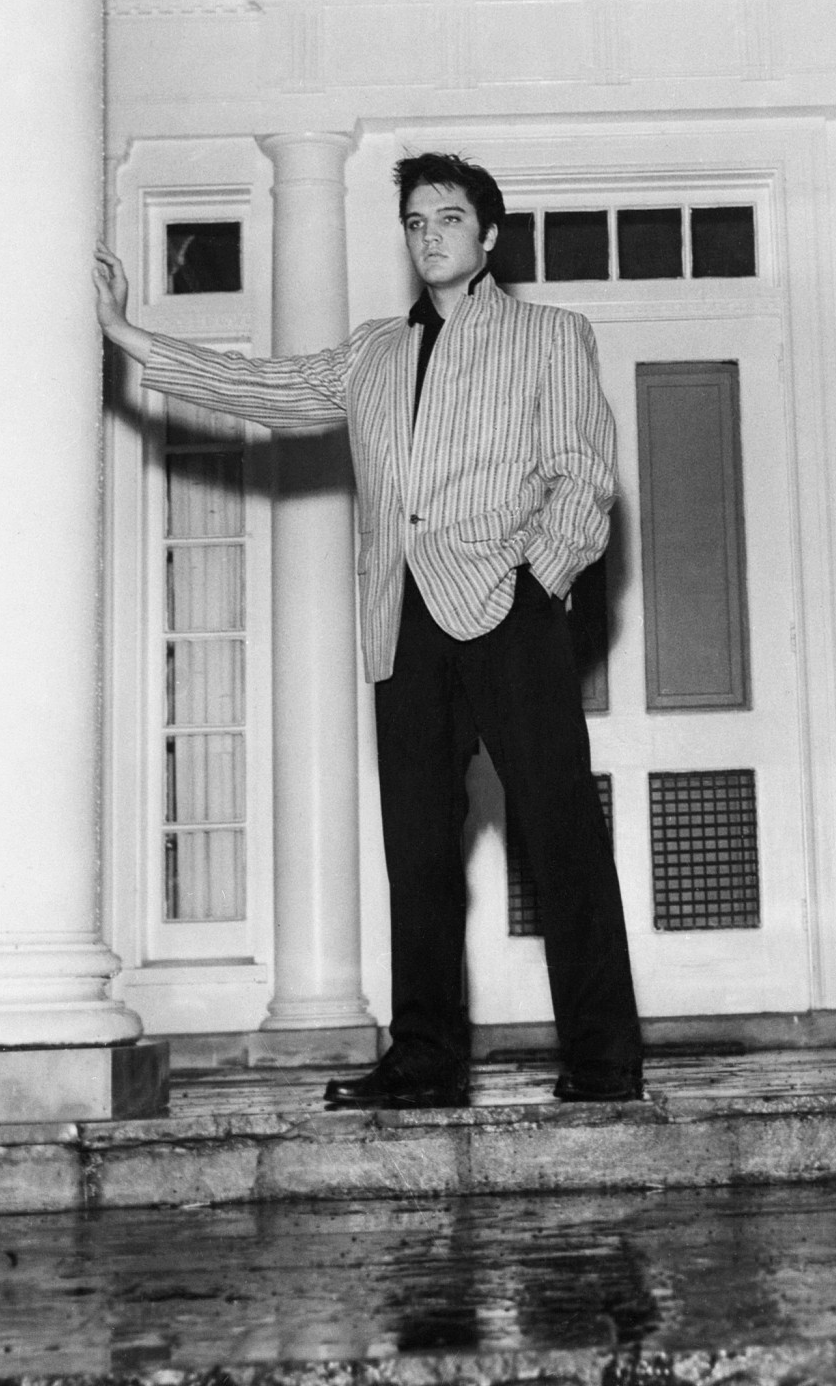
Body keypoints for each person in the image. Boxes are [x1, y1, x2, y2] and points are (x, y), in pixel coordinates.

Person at [94, 153, 642, 1108]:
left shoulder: (550, 335)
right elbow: (268, 388)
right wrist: (130, 336)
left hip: (507, 613)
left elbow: (585, 475)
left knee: (562, 841)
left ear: (489, 234)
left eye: (449, 218)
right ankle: (426, 1060)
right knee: (418, 852)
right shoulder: (373, 354)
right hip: (403, 624)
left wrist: (536, 579)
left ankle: (602, 1064)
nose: (430, 235)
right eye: (416, 222)